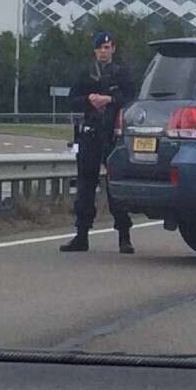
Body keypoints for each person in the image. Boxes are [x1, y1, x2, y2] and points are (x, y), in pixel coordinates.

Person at [60, 31, 136, 254]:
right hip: (90, 134)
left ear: (113, 49)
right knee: (85, 185)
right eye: (100, 48)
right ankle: (81, 235)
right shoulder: (85, 74)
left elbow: (132, 98)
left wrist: (110, 99)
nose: (104, 51)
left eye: (108, 47)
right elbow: (72, 100)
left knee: (115, 187)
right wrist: (88, 100)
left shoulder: (122, 73)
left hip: (113, 135)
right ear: (95, 51)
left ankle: (124, 235)